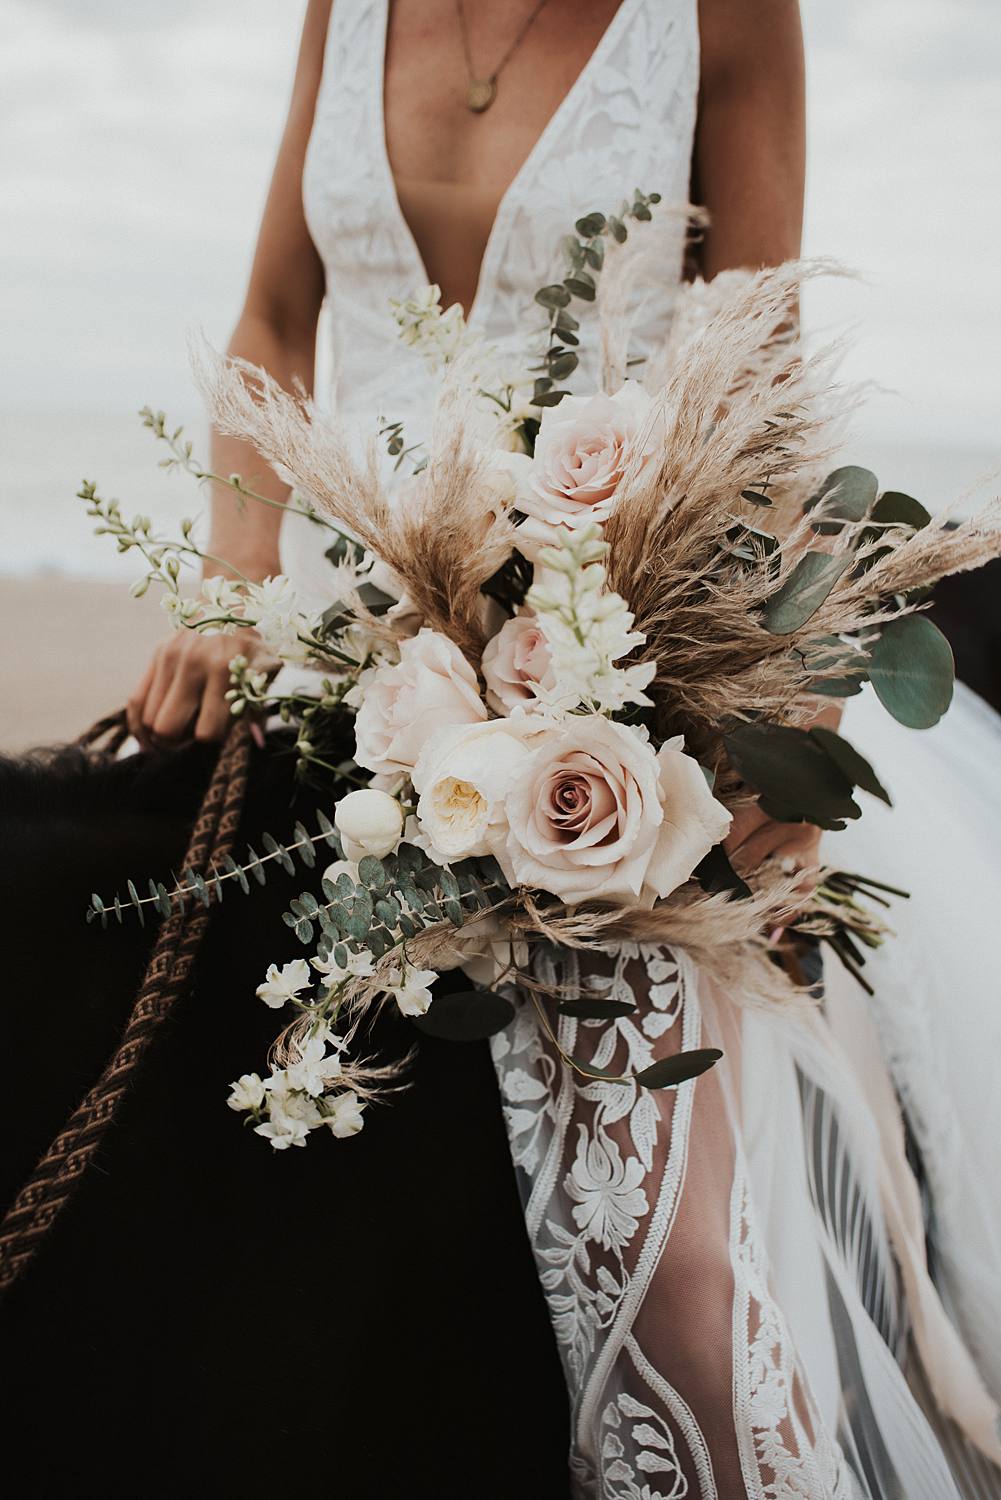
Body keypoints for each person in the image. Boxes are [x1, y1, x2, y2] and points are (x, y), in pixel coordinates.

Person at [5, 2, 1000, 1496]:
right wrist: (226, 597)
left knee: (694, 1291)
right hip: (354, 642)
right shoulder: (343, 11)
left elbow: (759, 368)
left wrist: (751, 691)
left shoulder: (721, 12)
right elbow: (278, 320)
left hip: (617, 654)